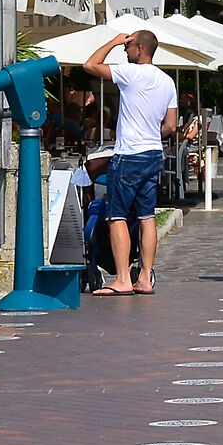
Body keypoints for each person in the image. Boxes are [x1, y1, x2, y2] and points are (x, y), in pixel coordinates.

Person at [82, 29, 180, 295]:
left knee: (117, 216)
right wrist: (149, 131)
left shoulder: (131, 73)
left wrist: (113, 42)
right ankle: (145, 278)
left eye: (128, 46)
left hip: (129, 154)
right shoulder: (167, 81)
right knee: (147, 216)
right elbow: (170, 126)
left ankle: (123, 278)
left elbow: (90, 65)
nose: (125, 50)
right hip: (153, 153)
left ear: (139, 48)